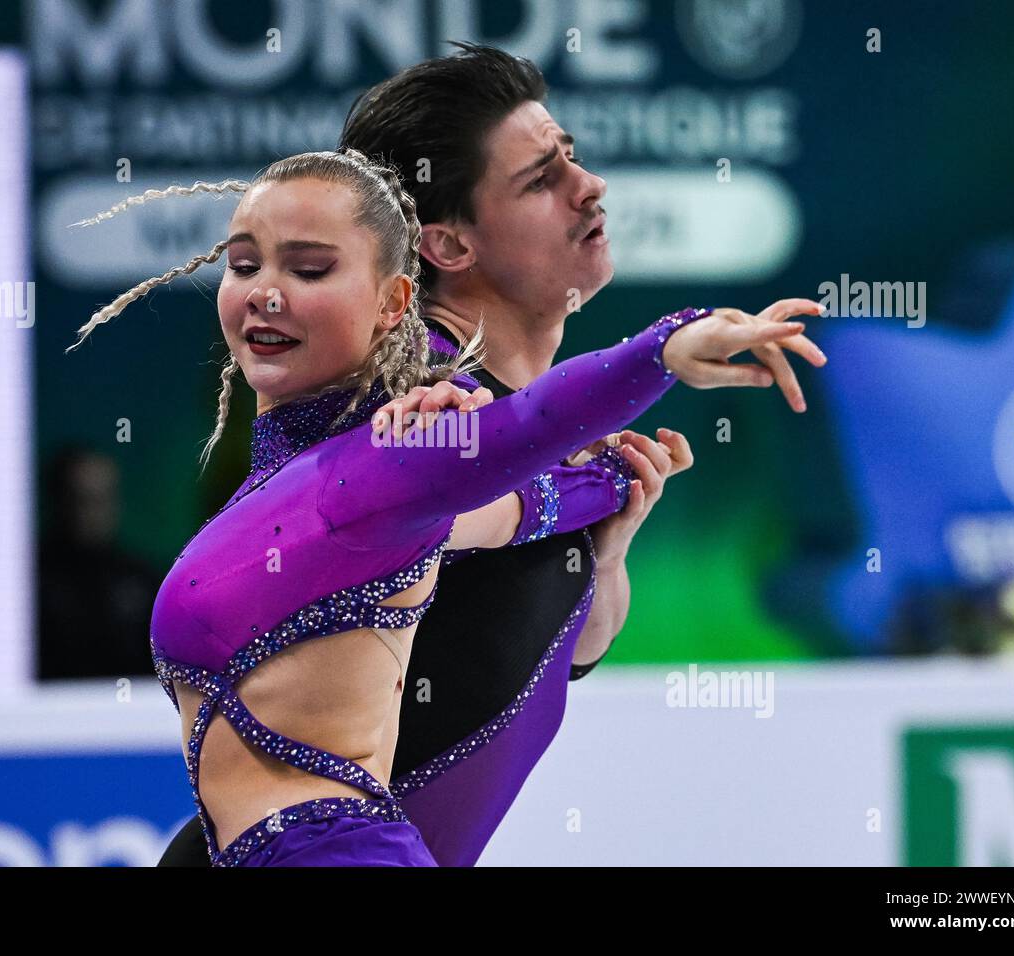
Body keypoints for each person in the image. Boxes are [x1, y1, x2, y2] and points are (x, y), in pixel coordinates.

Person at [159, 43, 827, 866]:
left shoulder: (524, 434)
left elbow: (530, 646)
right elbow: (440, 491)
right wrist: (664, 350)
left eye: (572, 159)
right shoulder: (415, 407)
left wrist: (603, 557)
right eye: (542, 180)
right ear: (444, 247)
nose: (590, 187)